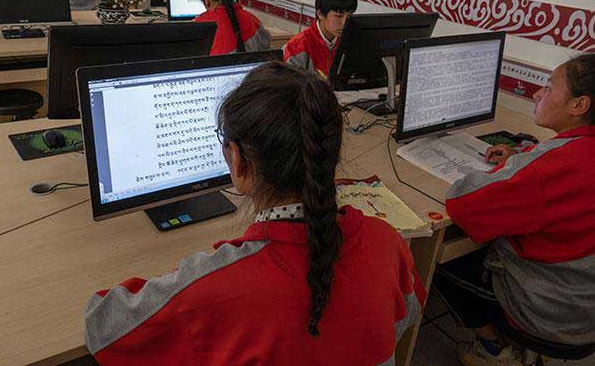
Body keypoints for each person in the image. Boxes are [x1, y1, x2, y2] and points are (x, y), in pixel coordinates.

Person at [84, 62, 426, 365]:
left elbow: (103, 328)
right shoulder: (386, 240)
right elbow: (405, 316)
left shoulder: (213, 287)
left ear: (238, 160)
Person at [435, 54, 595, 365]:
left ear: (578, 106)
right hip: (582, 299)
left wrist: (521, 166)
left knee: (444, 256)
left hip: (551, 313)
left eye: (548, 88)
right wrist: (525, 156)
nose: (537, 94)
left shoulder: (545, 171)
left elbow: (462, 203)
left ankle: (492, 347)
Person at [283, 0, 357, 80]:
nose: (345, 23)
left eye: (349, 16)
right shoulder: (296, 48)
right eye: (339, 16)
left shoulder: (351, 42)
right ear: (320, 14)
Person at [194, 0, 270, 55]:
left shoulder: (200, 23)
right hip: (253, 66)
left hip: (217, 66)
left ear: (206, 1)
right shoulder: (253, 19)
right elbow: (266, 45)